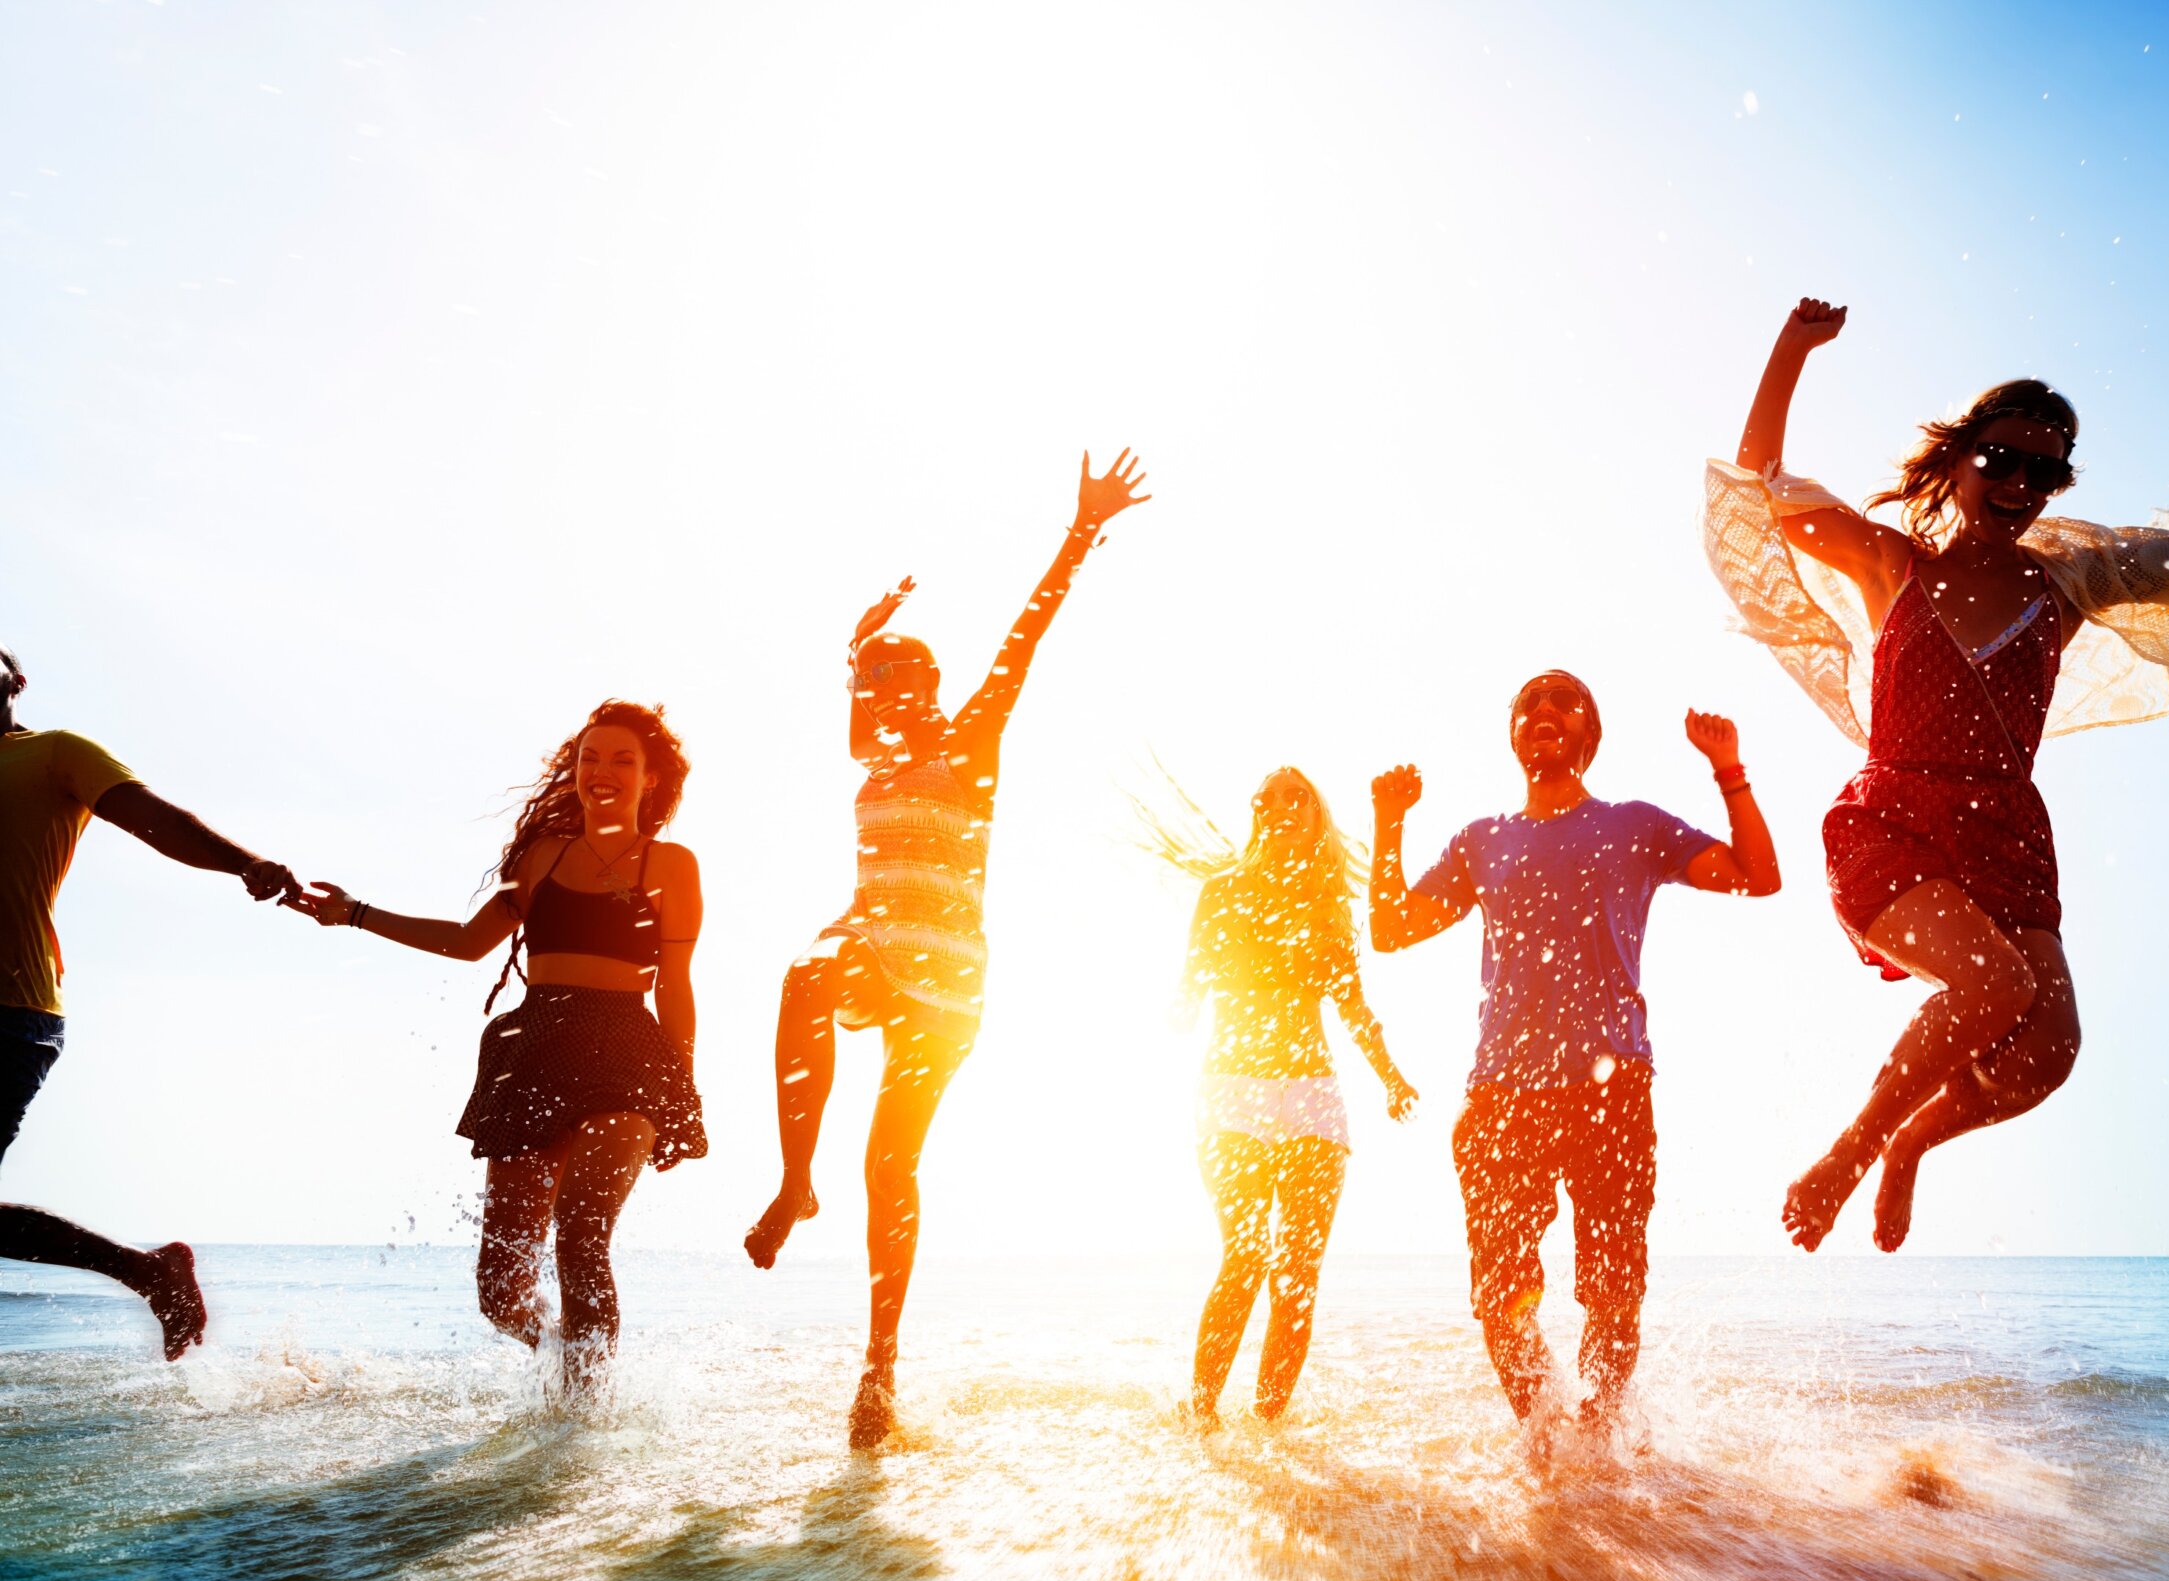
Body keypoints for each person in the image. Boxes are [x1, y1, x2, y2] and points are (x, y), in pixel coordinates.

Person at [1703, 297, 2169, 1254]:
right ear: (1959, 459)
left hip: (2006, 834)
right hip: (1892, 818)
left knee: (2045, 1053)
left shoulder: (2069, 586)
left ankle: (1908, 1146)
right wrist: (1790, 348)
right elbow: (1761, 479)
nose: (2022, 481)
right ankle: (1850, 1154)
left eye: (2045, 469)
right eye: (2003, 460)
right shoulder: (1890, 563)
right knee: (1989, 988)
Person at [745, 449, 1150, 1451]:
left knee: (892, 1161)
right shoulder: (873, 754)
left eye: (907, 683)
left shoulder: (968, 739)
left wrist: (1078, 531)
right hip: (874, 947)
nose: (891, 699)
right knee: (802, 973)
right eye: (879, 689)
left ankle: (878, 1367)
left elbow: (1026, 635)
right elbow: (857, 706)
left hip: (949, 983)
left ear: (935, 689)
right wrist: (856, 645)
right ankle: (797, 1180)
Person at [1368, 677, 1779, 1426]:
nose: (1544, 713)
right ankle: (1545, 1443)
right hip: (1503, 1093)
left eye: (1564, 702)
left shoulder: (1634, 826)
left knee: (1615, 1290)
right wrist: (1387, 821)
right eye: (1529, 706)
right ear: (1515, 736)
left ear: (1588, 734)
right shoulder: (1482, 840)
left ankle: (1598, 1441)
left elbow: (1759, 876)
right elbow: (1392, 929)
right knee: (1501, 1294)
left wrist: (1729, 771)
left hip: (1612, 1089)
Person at [293, 701, 703, 1392]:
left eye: (622, 760)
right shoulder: (543, 856)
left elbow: (677, 987)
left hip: (628, 1052)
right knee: (500, 1291)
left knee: (580, 1232)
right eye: (589, 758)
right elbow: (465, 942)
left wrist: (681, 1086)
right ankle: (561, 1358)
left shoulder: (670, 864)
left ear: (651, 778)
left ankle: (585, 1415)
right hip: (533, 1048)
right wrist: (354, 913)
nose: (602, 771)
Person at [0, 641, 300, 1359]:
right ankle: (149, 1271)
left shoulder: (54, 753)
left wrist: (243, 862)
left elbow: (152, 818)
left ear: (15, 680)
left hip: (11, 1011)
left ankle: (149, 1271)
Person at [1164, 767, 1417, 1422]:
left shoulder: (1328, 904)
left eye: (1295, 795)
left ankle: (1270, 1437)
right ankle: (1201, 1419)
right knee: (1245, 1256)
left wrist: (1390, 1075)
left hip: (1312, 1097)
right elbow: (1186, 996)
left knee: (1297, 1278)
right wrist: (1178, 1007)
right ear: (1257, 816)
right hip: (1229, 1093)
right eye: (1267, 799)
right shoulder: (1220, 894)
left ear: (1315, 816)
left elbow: (1353, 1007)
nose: (1280, 805)